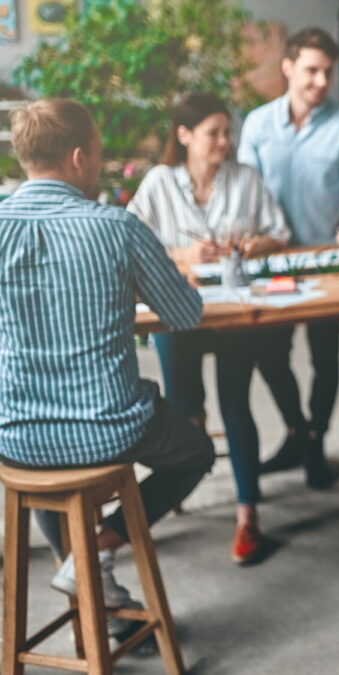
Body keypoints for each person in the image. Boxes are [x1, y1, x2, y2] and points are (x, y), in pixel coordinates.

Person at [0, 99, 214, 632]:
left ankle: (93, 585)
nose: (99, 164)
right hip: (108, 430)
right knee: (195, 452)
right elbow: (185, 315)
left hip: (13, 436)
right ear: (78, 157)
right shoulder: (117, 228)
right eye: (97, 154)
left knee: (48, 464)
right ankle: (96, 552)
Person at [127, 92, 290, 564]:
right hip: (175, 313)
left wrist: (252, 245)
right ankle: (175, 493)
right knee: (184, 411)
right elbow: (132, 242)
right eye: (213, 132)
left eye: (226, 131)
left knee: (236, 403)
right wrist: (183, 256)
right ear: (184, 135)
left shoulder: (246, 178)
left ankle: (247, 517)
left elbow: (279, 232)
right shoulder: (159, 183)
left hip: (231, 311)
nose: (224, 140)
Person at [237, 26, 339, 487]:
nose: (321, 81)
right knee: (268, 355)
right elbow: (243, 193)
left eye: (327, 72)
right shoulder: (257, 125)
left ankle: (316, 441)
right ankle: (297, 431)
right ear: (289, 67)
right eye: (312, 71)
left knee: (325, 357)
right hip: (272, 263)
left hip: (326, 263)